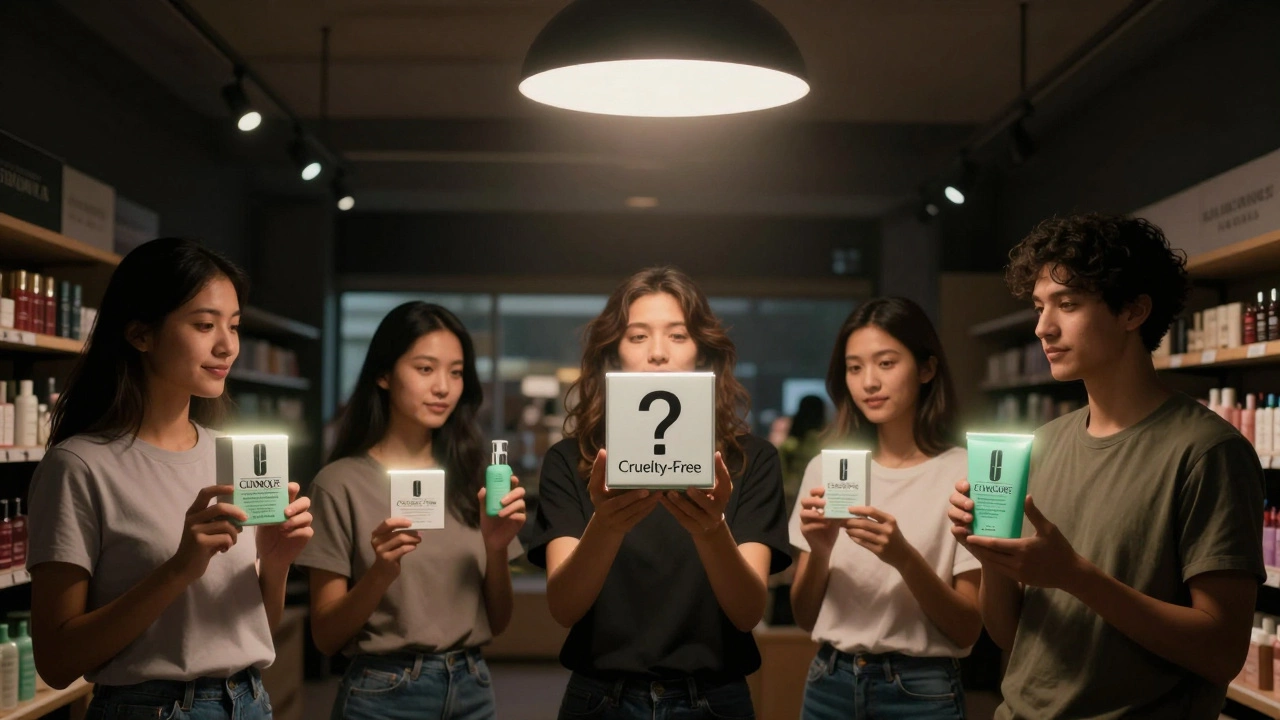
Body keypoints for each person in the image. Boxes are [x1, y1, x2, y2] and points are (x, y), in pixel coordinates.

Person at [948, 214, 1265, 719]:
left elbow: (1221, 652)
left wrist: (1074, 576)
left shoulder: (1206, 451)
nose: (1042, 327)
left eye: (1067, 305)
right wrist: (989, 555)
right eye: (1038, 307)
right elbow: (1010, 636)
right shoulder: (1042, 446)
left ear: (1134, 310)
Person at [28, 238, 313, 719]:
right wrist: (179, 569)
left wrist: (277, 562)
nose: (227, 345)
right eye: (204, 325)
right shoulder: (79, 466)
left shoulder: (232, 457)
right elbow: (57, 663)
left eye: (234, 326)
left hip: (249, 701)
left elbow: (249, 633)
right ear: (140, 334)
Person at [529, 267, 791, 720]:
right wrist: (606, 525)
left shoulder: (750, 460)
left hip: (714, 698)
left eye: (677, 335)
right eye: (636, 337)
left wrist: (712, 529)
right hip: (600, 698)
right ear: (612, 354)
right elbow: (564, 606)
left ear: (702, 352)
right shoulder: (570, 460)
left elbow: (748, 612)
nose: (656, 354)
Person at [298, 302, 526, 720]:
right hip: (382, 693)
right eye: (425, 369)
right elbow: (326, 637)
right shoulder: (339, 484)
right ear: (384, 375)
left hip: (473, 687)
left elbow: (499, 621)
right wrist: (379, 573)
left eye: (456, 372)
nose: (443, 387)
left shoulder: (474, 477)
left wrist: (496, 549)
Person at [791, 297, 980, 719]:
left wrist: (904, 558)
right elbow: (804, 617)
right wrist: (819, 550)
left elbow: (969, 627)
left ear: (927, 369)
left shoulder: (966, 473)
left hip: (922, 691)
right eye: (854, 367)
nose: (868, 382)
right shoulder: (828, 468)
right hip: (829, 682)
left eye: (886, 363)